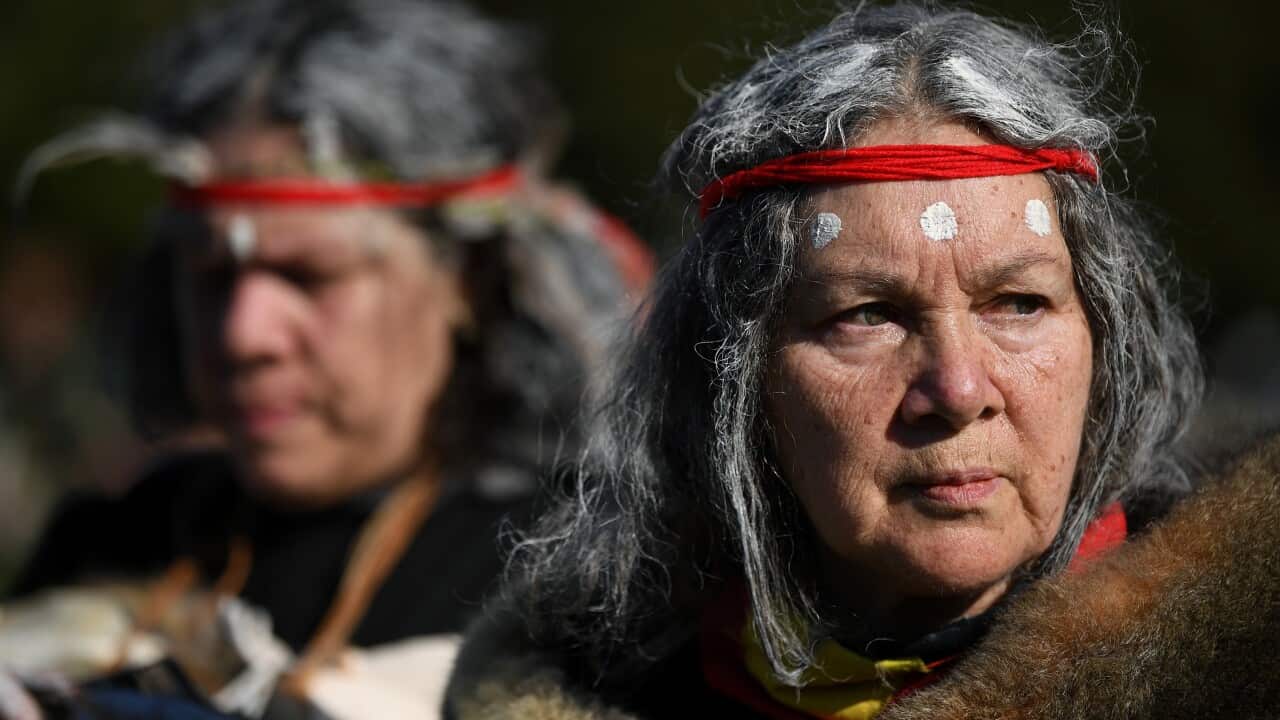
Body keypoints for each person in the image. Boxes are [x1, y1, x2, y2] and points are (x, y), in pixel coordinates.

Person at [445, 4, 1280, 718]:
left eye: (1018, 304)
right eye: (867, 315)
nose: (956, 390)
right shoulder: (601, 686)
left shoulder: (1241, 669)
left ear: (1108, 344)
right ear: (737, 382)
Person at [3, 0, 649, 717]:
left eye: (311, 276)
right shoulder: (114, 542)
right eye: (210, 275)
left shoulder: (584, 579)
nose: (245, 333)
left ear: (466, 281)